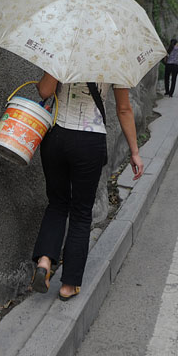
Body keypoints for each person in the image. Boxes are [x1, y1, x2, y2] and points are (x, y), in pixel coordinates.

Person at [29, 72, 144, 301]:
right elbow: (124, 109)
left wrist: (58, 67)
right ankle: (69, 285)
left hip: (57, 136)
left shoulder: (66, 48)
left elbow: (44, 91)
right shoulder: (115, 60)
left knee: (57, 203)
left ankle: (44, 260)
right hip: (90, 142)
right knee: (81, 212)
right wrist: (134, 151)